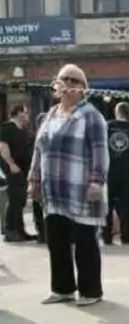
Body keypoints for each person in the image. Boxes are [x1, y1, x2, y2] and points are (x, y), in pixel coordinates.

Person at [28, 64, 110, 307]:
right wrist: (33, 179)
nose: (68, 83)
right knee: (57, 240)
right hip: (53, 190)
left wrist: (97, 181)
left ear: (83, 88)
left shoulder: (91, 115)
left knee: (85, 242)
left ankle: (90, 290)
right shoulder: (50, 114)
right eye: (64, 78)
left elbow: (100, 152)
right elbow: (38, 149)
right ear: (56, 84)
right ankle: (62, 288)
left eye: (74, 80)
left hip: (81, 189)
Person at [104, 102, 129, 245]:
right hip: (126, 172)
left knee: (107, 204)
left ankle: (106, 235)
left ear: (116, 111)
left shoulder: (107, 126)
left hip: (109, 171)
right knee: (126, 206)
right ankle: (126, 235)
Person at [1, 104, 35, 242]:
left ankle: (20, 230)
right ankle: (10, 230)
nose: (28, 115)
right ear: (18, 113)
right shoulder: (7, 127)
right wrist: (11, 164)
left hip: (24, 169)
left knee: (21, 200)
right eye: (26, 112)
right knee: (15, 199)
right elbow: (2, 147)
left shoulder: (23, 129)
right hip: (13, 169)